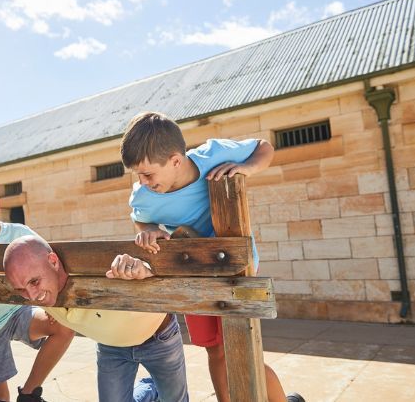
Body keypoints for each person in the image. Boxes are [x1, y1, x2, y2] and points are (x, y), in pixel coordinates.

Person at [120, 111, 304, 402]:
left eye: (148, 174)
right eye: (138, 176)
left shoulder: (214, 154)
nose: (143, 182)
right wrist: (150, 230)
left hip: (236, 267)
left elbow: (263, 147)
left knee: (241, 346)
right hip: (192, 273)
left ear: (175, 161)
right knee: (214, 348)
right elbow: (140, 219)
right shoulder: (144, 196)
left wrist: (248, 167)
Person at [3, 235, 189, 402]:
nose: (32, 296)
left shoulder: (102, 269)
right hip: (111, 347)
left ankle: (153, 388)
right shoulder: (36, 290)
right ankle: (149, 390)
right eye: (20, 289)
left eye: (34, 282)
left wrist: (146, 271)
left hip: (157, 337)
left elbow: (160, 271)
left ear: (53, 261)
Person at [0, 179, 74, 402]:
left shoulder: (20, 233)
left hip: (16, 312)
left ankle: (29, 394)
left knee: (64, 327)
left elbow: (49, 263)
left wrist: (51, 303)